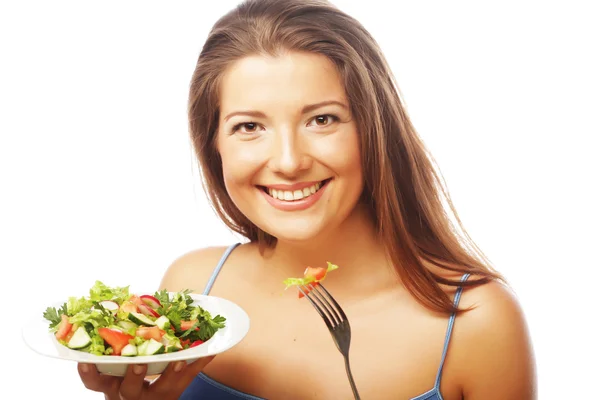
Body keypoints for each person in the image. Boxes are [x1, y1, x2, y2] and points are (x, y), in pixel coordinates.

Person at [77, 0, 537, 398]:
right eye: (249, 127)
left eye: (322, 119)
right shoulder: (195, 290)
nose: (289, 161)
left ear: (375, 131)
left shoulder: (477, 323)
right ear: (213, 143)